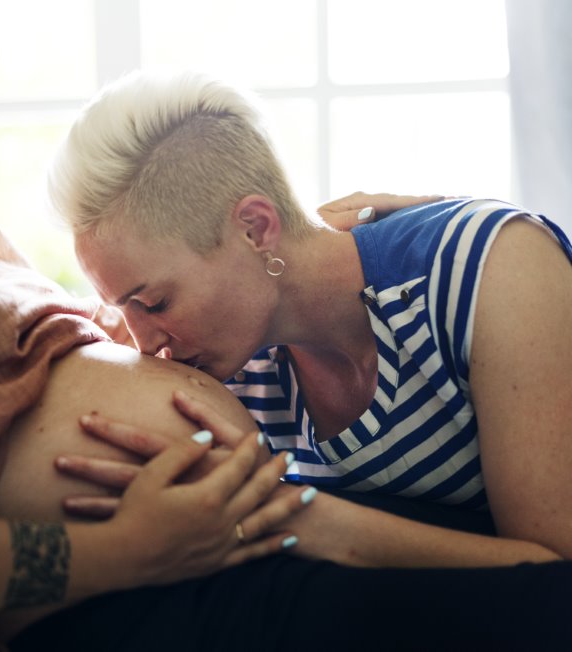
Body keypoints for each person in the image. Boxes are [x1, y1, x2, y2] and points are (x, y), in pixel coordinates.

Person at [0, 1, 572, 650]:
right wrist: (109, 553)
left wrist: (334, 231)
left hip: (250, 550)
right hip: (154, 592)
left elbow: (184, 288)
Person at [47, 68, 572, 569]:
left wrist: (312, 521)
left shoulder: (491, 268)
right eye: (124, 308)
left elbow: (557, 570)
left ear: (255, 228)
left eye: (156, 303)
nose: (145, 343)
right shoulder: (230, 368)